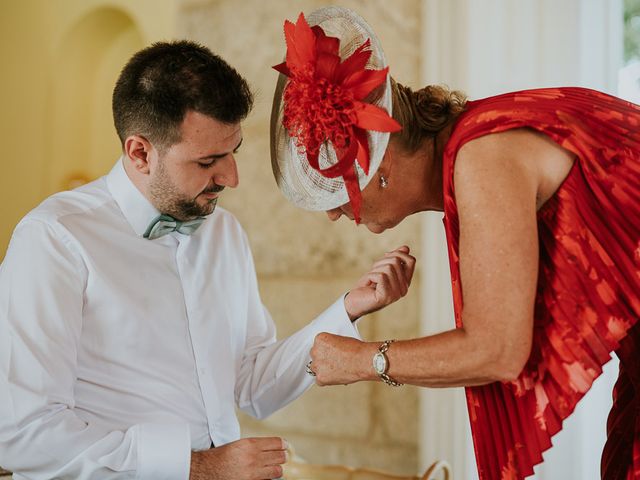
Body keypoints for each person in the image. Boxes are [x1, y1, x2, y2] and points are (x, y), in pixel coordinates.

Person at [0, 40, 416, 480]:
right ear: (140, 153)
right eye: (208, 161)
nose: (230, 178)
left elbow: (253, 385)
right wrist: (197, 467)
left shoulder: (224, 233)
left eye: (233, 152)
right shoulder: (55, 239)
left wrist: (348, 308)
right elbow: (23, 432)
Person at [270, 6, 640, 480]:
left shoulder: (482, 156)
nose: (333, 213)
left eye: (337, 193)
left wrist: (362, 360)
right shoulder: (478, 143)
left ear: (378, 167)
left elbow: (498, 350)